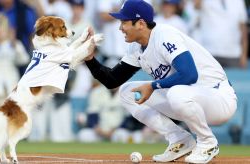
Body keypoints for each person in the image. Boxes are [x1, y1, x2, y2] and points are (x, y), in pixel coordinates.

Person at [84, 0, 237, 163]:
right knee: (127, 92)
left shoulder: (164, 35)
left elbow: (189, 75)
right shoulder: (136, 48)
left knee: (177, 93)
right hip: (189, 100)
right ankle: (179, 139)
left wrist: (153, 85)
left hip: (218, 97)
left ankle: (207, 142)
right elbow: (112, 80)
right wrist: (90, 59)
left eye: (124, 22)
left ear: (141, 23)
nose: (120, 27)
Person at [192, 0, 248, 68]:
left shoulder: (239, 1)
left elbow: (243, 29)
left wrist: (244, 55)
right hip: (210, 53)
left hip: (234, 54)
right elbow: (196, 5)